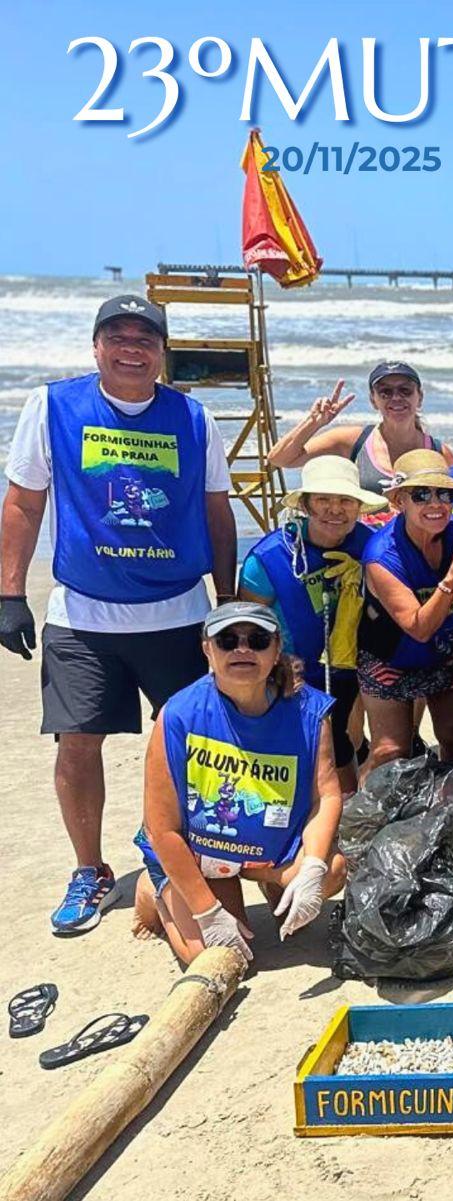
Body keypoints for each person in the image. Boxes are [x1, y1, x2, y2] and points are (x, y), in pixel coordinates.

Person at [1, 294, 237, 935]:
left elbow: (218, 512)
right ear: (96, 345)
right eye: (118, 336)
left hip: (178, 612)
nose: (132, 348)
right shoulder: (53, 406)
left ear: (163, 352)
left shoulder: (192, 417)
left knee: (194, 743)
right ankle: (88, 869)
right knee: (77, 745)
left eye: (146, 338)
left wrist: (230, 599)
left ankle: (166, 845)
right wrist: (9, 593)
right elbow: (24, 502)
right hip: (83, 617)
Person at [129, 603, 345, 967]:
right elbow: (161, 828)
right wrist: (206, 911)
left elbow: (325, 795)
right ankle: (155, 890)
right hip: (201, 854)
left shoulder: (310, 711)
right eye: (228, 640)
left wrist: (311, 870)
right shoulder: (178, 714)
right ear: (207, 649)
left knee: (333, 868)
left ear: (276, 649)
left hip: (267, 852)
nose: (242, 649)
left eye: (257, 640)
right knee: (222, 959)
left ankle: (272, 882)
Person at [238, 456, 387, 794]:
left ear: (359, 506)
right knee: (286, 754)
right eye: (324, 500)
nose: (336, 510)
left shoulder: (373, 546)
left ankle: (347, 822)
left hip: (349, 666)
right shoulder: (268, 558)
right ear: (305, 504)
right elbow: (246, 629)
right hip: (287, 670)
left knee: (339, 745)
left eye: (346, 500)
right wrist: (276, 664)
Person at [358, 450, 453, 773]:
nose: (435, 503)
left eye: (444, 493)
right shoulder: (381, 555)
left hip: (448, 650)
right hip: (391, 653)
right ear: (399, 501)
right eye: (421, 494)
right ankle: (361, 818)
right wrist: (452, 578)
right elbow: (417, 627)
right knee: (390, 751)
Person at [268, 362, 453, 523]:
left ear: (419, 397)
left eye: (405, 390)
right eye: (385, 392)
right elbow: (280, 459)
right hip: (362, 553)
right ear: (373, 400)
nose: (396, 398)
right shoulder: (353, 441)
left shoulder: (438, 453)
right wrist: (314, 422)